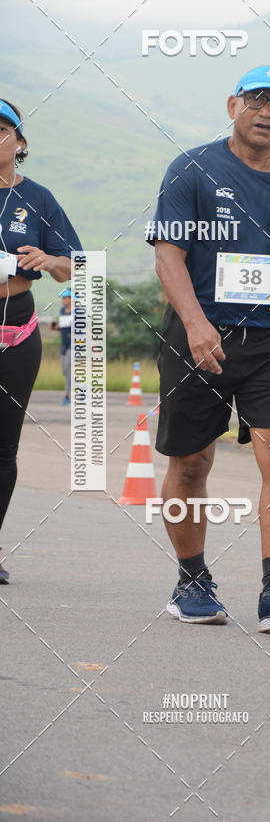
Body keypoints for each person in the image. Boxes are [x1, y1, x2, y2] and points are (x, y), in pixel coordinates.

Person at [147, 65, 270, 631]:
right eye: (256, 101)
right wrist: (197, 325)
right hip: (196, 333)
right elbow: (168, 256)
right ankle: (192, 582)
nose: (266, 112)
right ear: (233, 105)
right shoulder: (193, 168)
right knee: (192, 460)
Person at [0, 99, 81, 583]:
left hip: (19, 330)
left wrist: (48, 260)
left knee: (3, 448)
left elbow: (79, 266)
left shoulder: (38, 199)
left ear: (20, 143)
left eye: (2, 129)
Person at [51, 288, 73, 404]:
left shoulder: (78, 312)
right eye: (62, 298)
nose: (63, 300)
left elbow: (86, 329)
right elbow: (63, 327)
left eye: (65, 298)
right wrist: (55, 328)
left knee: (69, 370)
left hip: (75, 345)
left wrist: (93, 345)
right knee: (64, 370)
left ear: (71, 299)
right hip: (64, 345)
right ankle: (82, 387)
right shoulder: (62, 311)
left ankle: (67, 396)